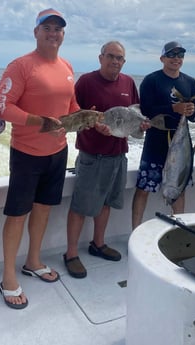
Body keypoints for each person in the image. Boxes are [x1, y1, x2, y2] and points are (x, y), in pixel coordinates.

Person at [0, 8, 81, 308]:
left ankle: (33, 261)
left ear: (63, 34)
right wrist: (37, 122)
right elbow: (2, 106)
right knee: (17, 215)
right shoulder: (20, 66)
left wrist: (89, 118)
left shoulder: (67, 65)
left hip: (58, 153)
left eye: (58, 28)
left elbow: (70, 105)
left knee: (43, 210)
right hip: (27, 154)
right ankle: (8, 276)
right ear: (36, 32)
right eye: (47, 27)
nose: (53, 33)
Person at [63, 41, 143, 278]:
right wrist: (94, 125)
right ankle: (70, 254)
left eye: (119, 58)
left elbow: (135, 115)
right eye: (111, 56)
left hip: (118, 154)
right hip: (92, 155)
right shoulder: (86, 82)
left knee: (106, 203)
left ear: (124, 62)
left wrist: (142, 125)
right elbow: (72, 115)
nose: (115, 61)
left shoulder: (128, 82)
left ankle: (98, 244)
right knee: (80, 206)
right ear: (100, 58)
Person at [132, 41, 195, 230]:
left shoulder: (190, 82)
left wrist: (191, 110)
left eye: (180, 55)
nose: (176, 59)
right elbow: (145, 110)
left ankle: (177, 232)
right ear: (162, 58)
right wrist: (173, 108)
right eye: (172, 55)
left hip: (181, 143)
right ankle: (135, 232)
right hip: (156, 141)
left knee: (179, 188)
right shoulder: (151, 80)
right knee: (144, 188)